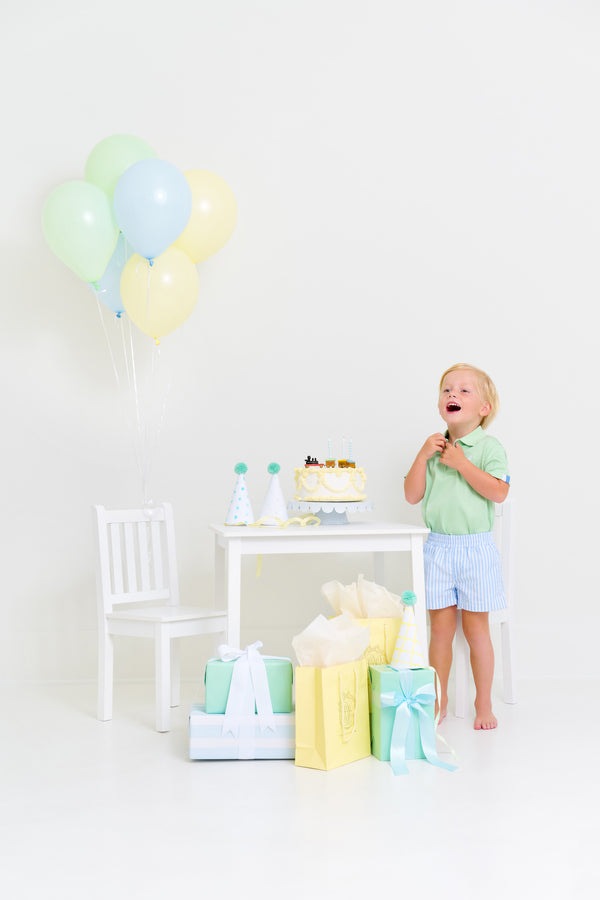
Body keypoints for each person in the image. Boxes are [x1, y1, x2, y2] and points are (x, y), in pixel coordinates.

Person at [404, 364, 510, 730]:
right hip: (437, 549)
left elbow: (499, 491)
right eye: (447, 389)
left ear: (484, 408)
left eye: (465, 390)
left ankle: (484, 702)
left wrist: (462, 463)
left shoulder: (489, 447)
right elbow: (411, 495)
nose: (453, 394)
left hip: (475, 550)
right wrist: (422, 456)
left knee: (477, 630)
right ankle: (439, 698)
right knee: (440, 630)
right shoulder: (434, 448)